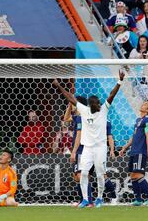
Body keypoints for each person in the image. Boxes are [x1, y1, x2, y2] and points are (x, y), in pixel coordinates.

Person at [52, 70, 125, 208]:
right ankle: (85, 199)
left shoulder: (104, 109)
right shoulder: (84, 111)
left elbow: (112, 95)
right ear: (91, 105)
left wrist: (120, 81)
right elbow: (70, 98)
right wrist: (58, 86)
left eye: (98, 102)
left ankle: (99, 198)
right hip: (87, 148)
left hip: (100, 148)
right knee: (83, 173)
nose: (99, 104)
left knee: (100, 174)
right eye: (96, 103)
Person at [119, 100, 148, 206]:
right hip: (133, 151)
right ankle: (138, 200)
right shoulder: (138, 120)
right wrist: (125, 147)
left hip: (140, 151)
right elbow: (134, 136)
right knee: (133, 176)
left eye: (145, 104)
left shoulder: (147, 120)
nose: (142, 104)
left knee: (138, 174)